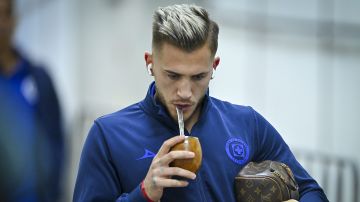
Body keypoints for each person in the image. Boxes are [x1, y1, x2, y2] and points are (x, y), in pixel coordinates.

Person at [73, 4, 328, 202]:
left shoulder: (246, 123)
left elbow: (311, 190)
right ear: (149, 62)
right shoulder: (108, 136)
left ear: (214, 66)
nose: (185, 92)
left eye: (198, 77)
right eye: (172, 75)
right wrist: (144, 193)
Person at [0, 0, 64, 201]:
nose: (2, 23)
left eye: (6, 14)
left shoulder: (39, 78)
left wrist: (54, 190)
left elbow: (57, 141)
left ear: (15, 20)